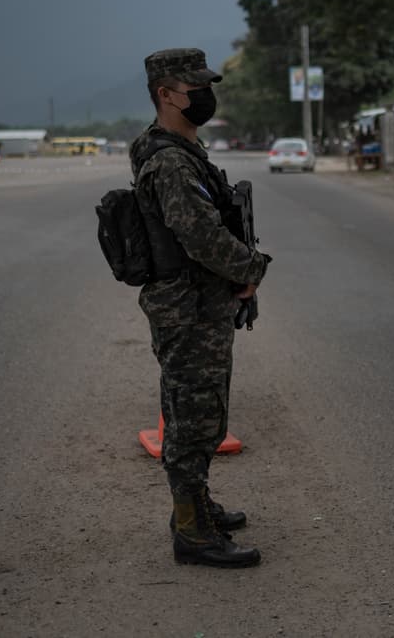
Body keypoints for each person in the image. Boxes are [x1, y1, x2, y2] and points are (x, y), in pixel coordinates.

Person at [130, 48, 271, 568]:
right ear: (166, 95)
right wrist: (251, 269)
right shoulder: (168, 160)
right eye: (194, 88)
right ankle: (192, 534)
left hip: (197, 305)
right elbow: (201, 236)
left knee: (198, 411)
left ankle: (196, 506)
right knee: (192, 420)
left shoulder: (178, 149)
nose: (205, 95)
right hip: (190, 309)